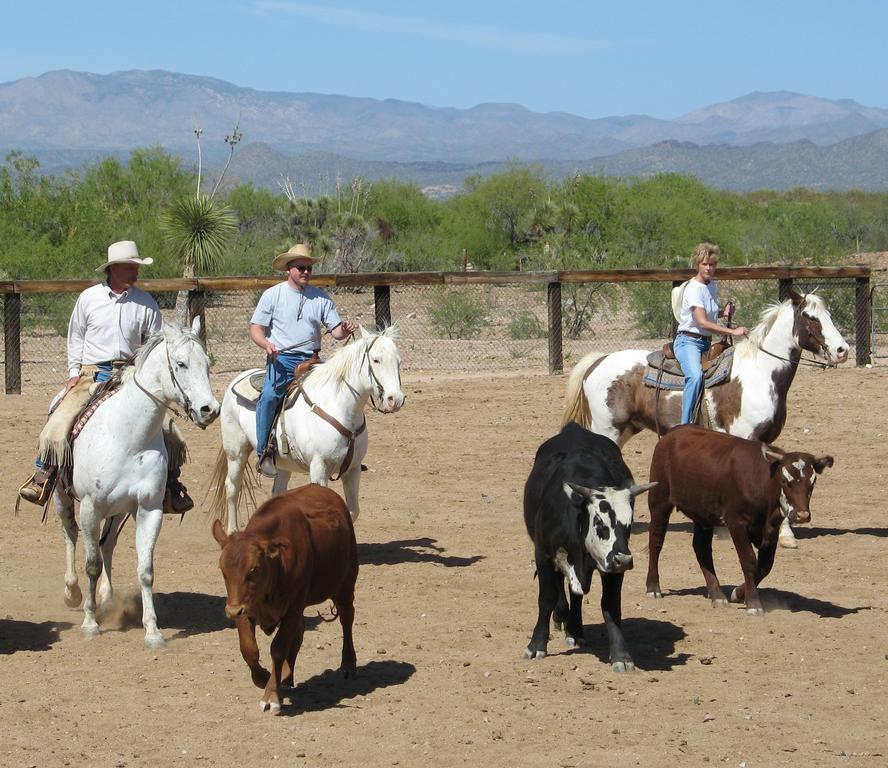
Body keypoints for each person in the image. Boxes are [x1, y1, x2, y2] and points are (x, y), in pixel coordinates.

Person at [18, 240, 194, 513]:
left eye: (136, 266)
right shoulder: (89, 298)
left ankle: (171, 484)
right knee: (61, 415)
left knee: (170, 430)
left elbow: (156, 347)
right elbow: (75, 336)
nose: (136, 271)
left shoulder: (146, 303)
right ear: (114, 269)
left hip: (131, 375)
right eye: (130, 266)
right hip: (92, 373)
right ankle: (44, 474)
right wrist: (74, 373)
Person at [250, 242, 357, 478]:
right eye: (301, 267)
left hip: (313, 361)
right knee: (268, 397)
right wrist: (266, 344)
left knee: (342, 392)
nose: (306, 271)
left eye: (309, 267)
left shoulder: (321, 298)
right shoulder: (272, 295)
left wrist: (345, 329)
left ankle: (345, 451)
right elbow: (256, 328)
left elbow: (336, 332)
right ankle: (264, 452)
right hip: (282, 360)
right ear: (289, 269)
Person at [673, 242, 749, 425]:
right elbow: (702, 322)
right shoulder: (693, 288)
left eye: (712, 264)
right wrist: (732, 331)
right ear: (697, 264)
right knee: (695, 376)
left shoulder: (711, 286)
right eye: (705, 264)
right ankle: (685, 424)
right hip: (688, 342)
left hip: (705, 342)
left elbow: (709, 316)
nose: (708, 268)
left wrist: (723, 312)